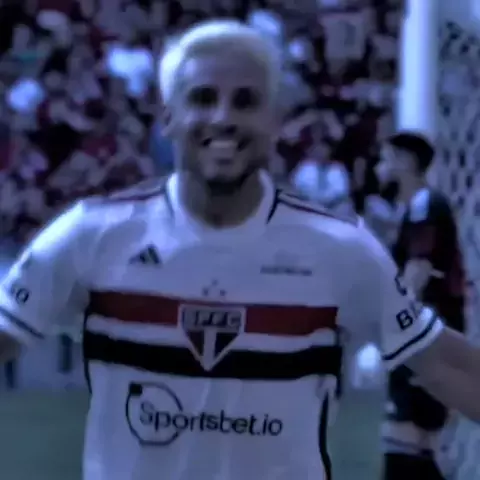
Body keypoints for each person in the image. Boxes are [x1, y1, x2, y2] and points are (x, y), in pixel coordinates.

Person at [0, 20, 479, 480]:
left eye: (245, 101)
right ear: (168, 118)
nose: (223, 118)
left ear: (274, 121)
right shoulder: (93, 234)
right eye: (202, 98)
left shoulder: (339, 250)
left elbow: (442, 362)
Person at [376, 133, 466, 480]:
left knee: (404, 433)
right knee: (417, 439)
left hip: (422, 333)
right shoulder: (415, 206)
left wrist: (392, 322)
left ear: (405, 162)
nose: (379, 167)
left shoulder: (424, 203)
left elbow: (419, 270)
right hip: (426, 330)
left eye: (385, 159)